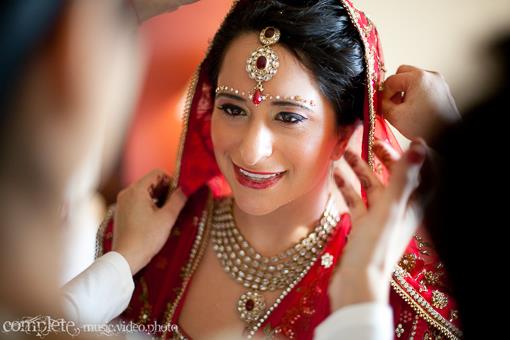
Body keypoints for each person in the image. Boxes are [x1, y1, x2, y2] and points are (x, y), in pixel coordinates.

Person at [96, 1, 462, 339]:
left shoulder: (396, 296)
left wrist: (450, 132)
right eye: (233, 109)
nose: (251, 152)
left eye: (289, 117)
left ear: (343, 134)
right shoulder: (141, 241)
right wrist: (121, 261)